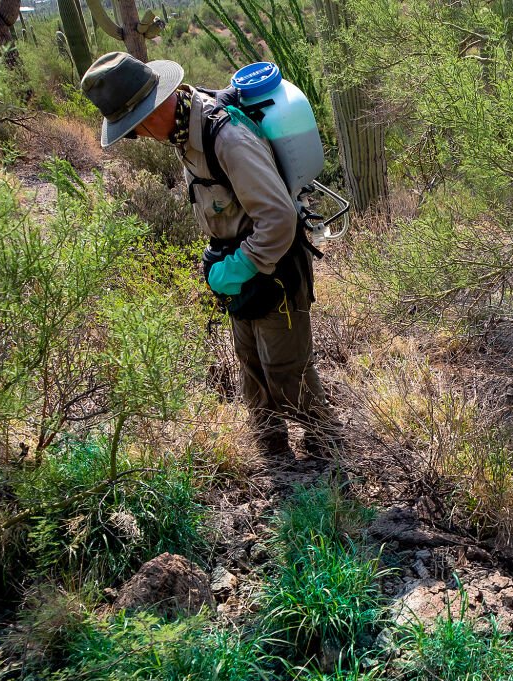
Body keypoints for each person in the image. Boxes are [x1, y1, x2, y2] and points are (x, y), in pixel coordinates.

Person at [81, 50, 336, 465]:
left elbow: (278, 218)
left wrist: (242, 265)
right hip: (240, 270)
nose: (138, 136)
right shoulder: (184, 131)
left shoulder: (227, 138)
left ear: (157, 107)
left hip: (272, 268)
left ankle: (328, 454)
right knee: (252, 369)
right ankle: (274, 457)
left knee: (287, 372)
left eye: (135, 127)